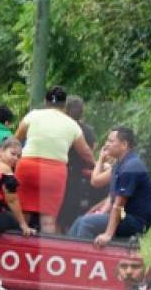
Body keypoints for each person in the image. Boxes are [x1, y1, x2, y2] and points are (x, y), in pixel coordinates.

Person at [14, 86, 94, 234]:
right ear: (64, 105)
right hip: (54, 173)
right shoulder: (72, 125)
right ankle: (46, 255)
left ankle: (19, 251)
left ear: (46, 101)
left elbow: (16, 140)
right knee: (48, 220)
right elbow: (85, 152)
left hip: (27, 167)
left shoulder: (33, 115)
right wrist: (95, 164)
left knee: (23, 216)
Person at [68, 127, 151, 246]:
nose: (106, 144)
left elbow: (119, 204)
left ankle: (84, 259)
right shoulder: (120, 164)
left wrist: (108, 234)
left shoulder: (131, 167)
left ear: (124, 144)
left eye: (110, 141)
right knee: (80, 220)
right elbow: (99, 184)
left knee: (87, 223)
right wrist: (97, 212)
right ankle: (69, 255)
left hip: (134, 221)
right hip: (122, 215)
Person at [57, 95, 100, 231]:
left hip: (61, 173)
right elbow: (93, 148)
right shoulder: (88, 130)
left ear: (65, 109)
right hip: (80, 177)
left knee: (58, 214)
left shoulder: (60, 127)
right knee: (73, 213)